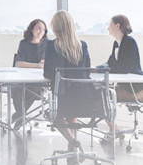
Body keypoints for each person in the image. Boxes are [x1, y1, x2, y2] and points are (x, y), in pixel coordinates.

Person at [43, 10, 92, 149]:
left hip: (62, 95)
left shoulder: (52, 45)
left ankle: (73, 142)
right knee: (72, 113)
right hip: (83, 95)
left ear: (56, 27)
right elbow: (87, 70)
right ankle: (74, 147)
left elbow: (48, 72)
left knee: (55, 116)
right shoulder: (82, 45)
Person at [105, 14, 143, 136]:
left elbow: (126, 68)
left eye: (109, 25)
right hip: (126, 87)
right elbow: (109, 64)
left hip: (135, 89)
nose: (107, 28)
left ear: (117, 25)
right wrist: (95, 69)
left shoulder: (129, 42)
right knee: (101, 93)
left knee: (102, 96)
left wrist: (106, 70)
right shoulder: (116, 44)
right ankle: (115, 129)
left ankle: (115, 130)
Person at [11, 19, 49, 130]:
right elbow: (20, 63)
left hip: (39, 79)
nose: (41, 31)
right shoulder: (23, 43)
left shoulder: (48, 44)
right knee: (15, 90)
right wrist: (37, 65)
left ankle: (19, 116)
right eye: (38, 28)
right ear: (32, 29)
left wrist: (45, 63)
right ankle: (21, 116)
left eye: (43, 29)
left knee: (34, 88)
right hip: (23, 78)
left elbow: (51, 61)